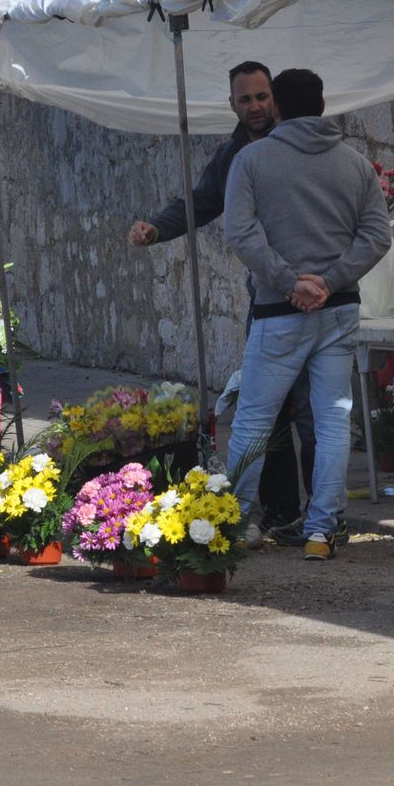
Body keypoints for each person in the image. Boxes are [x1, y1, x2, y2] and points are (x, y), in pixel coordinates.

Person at [128, 60, 316, 542]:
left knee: (317, 413)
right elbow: (202, 202)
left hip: (320, 295)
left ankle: (321, 519)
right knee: (268, 409)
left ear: (275, 97)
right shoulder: (234, 154)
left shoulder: (302, 141)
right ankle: (282, 513)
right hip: (272, 301)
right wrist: (157, 228)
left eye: (261, 97)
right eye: (245, 99)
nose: (255, 106)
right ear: (232, 104)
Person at [223, 68, 390, 561]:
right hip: (338, 310)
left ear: (277, 106)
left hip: (279, 311)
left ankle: (232, 524)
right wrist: (332, 280)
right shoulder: (355, 164)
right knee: (334, 420)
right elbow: (377, 236)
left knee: (253, 418)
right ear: (322, 105)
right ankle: (321, 531)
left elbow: (241, 233)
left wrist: (289, 281)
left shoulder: (252, 160)